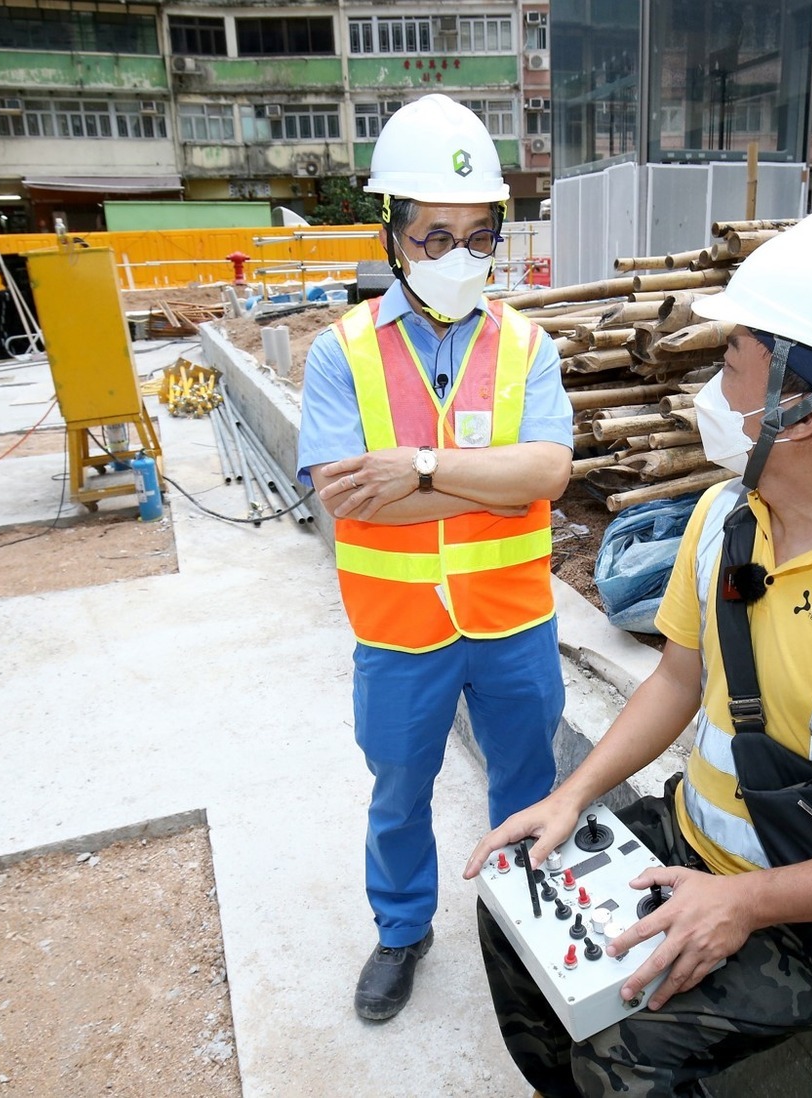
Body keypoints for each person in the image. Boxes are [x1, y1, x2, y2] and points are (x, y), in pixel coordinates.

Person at [464, 204, 812, 1095]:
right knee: (509, 904)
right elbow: (680, 675)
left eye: (731, 363)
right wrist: (572, 796)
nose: (713, 391)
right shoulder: (728, 519)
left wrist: (747, 903)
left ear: (804, 399)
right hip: (705, 841)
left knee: (625, 1058)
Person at [296, 93, 575, 1023]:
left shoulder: (528, 344)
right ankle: (403, 927)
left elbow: (548, 476)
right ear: (392, 236)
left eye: (479, 236)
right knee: (399, 791)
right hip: (401, 632)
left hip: (514, 625)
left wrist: (415, 471)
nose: (459, 257)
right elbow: (343, 494)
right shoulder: (341, 354)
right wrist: (496, 480)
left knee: (528, 785)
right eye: (434, 237)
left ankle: (526, 922)